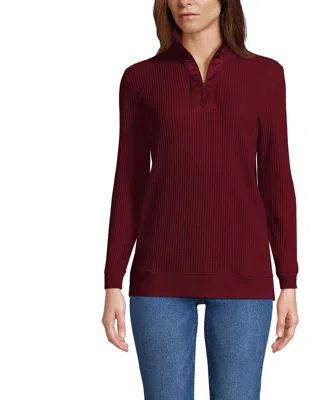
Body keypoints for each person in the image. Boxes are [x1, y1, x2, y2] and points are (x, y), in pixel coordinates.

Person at [101, 0, 299, 398]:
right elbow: (129, 182)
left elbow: (276, 181)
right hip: (159, 275)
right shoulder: (141, 79)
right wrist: (112, 282)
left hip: (243, 274)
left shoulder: (265, 75)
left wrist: (288, 281)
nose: (184, 1)